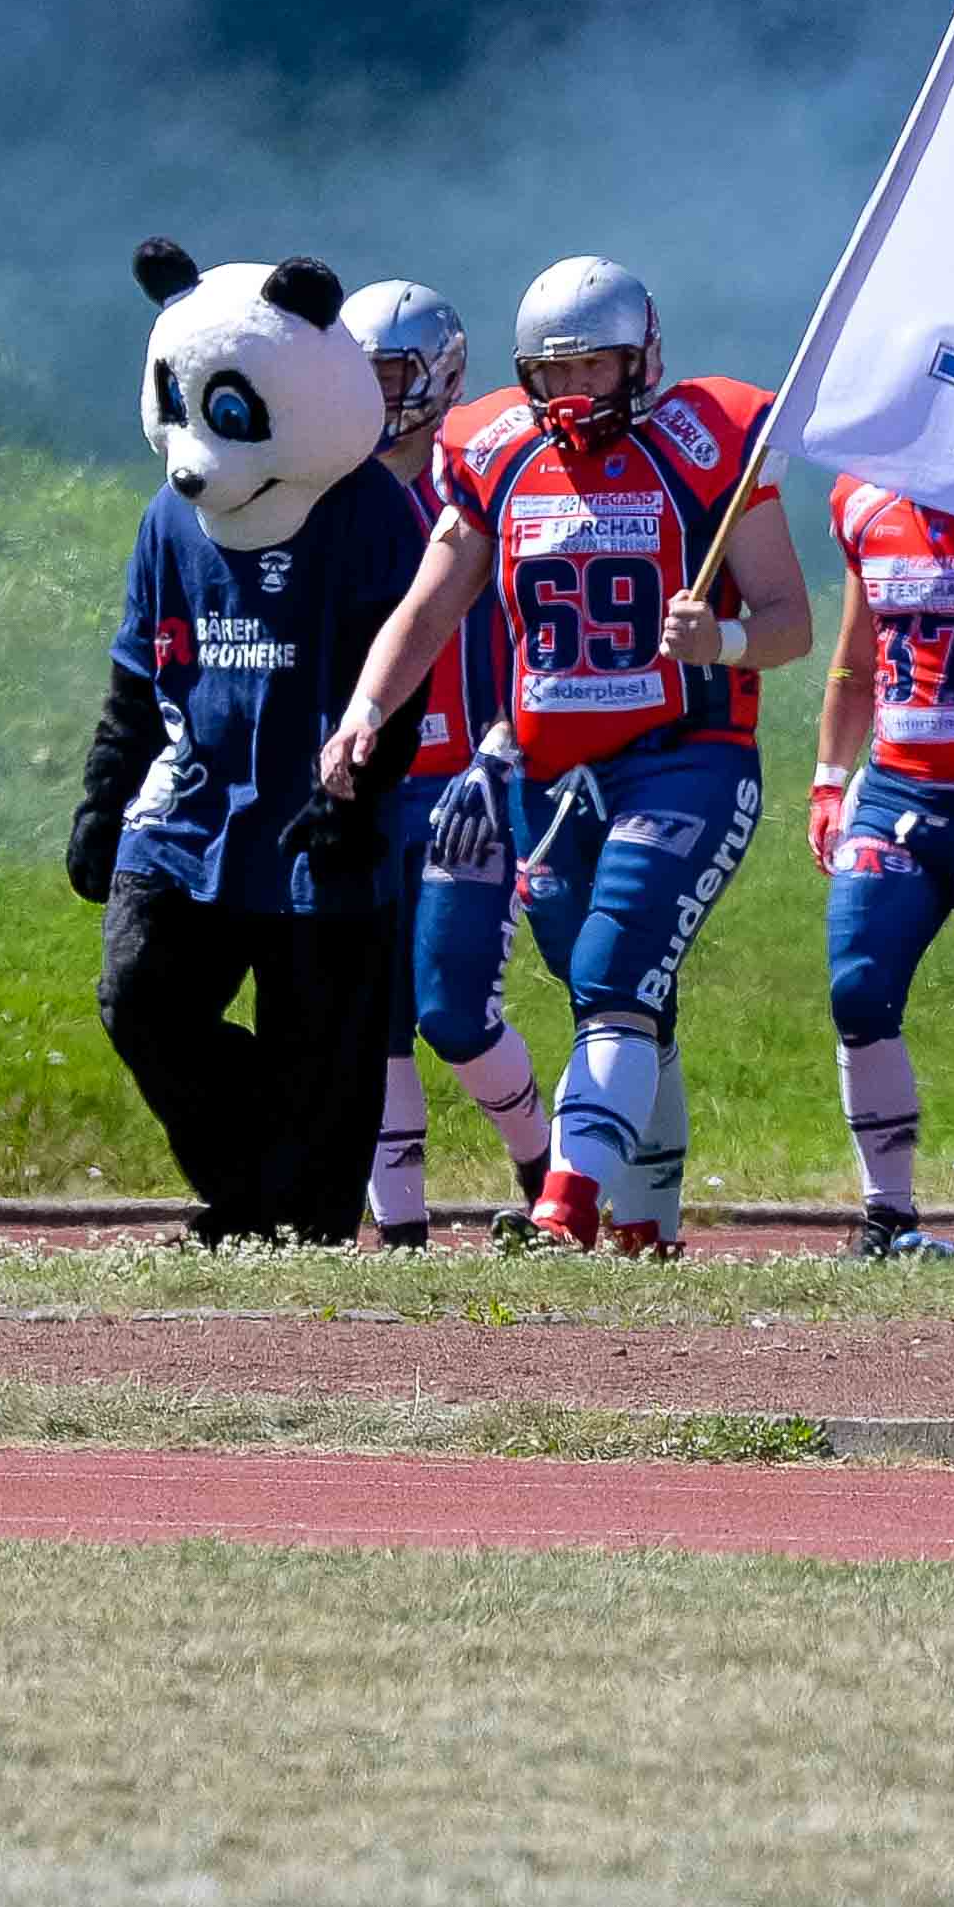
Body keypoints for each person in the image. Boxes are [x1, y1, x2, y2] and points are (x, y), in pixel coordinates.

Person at [325, 257, 806, 1256]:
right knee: (629, 997)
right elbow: (429, 604)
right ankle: (647, 1223)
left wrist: (717, 640)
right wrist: (367, 709)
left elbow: (790, 619)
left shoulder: (705, 444)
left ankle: (567, 1202)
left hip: (683, 754)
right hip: (552, 776)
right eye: (556, 374)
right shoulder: (497, 452)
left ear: (645, 360)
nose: (575, 393)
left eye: (596, 369)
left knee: (611, 970)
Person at [64, 242, 428, 1247]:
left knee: (324, 1040)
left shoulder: (368, 513)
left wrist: (362, 790)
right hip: (189, 815)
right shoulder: (166, 517)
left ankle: (295, 1223)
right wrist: (103, 797)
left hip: (322, 820)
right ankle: (250, 1180)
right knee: (140, 1000)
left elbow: (403, 663)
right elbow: (139, 669)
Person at [338, 280, 555, 1250]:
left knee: (453, 1011)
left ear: (441, 371)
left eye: (388, 371)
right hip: (375, 785)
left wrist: (510, 742)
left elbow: (543, 631)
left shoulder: (490, 477)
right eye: (357, 375)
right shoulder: (323, 490)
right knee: (373, 1014)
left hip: (478, 778)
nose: (373, 394)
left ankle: (547, 1173)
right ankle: (407, 1230)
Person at [810, 469, 954, 1256]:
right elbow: (854, 662)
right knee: (858, 991)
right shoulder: (863, 502)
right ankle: (887, 1211)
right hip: (894, 793)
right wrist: (828, 779)